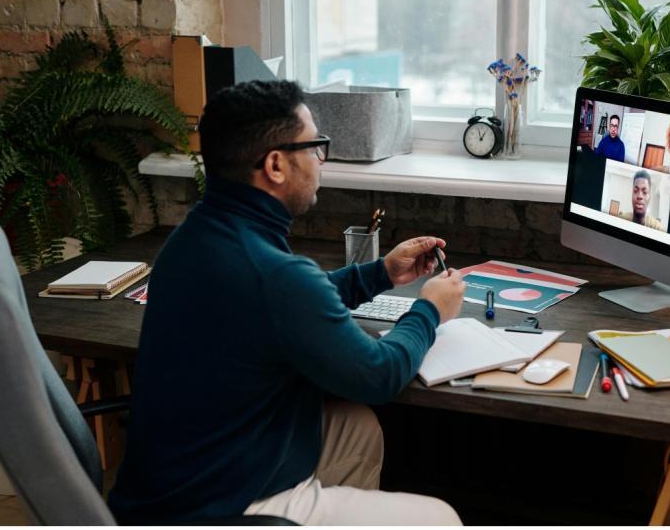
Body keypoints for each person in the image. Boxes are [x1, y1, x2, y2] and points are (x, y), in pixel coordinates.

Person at [108, 80, 465, 526]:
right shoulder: (275, 275)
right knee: (440, 517)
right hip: (224, 505)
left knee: (356, 428)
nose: (320, 160)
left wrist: (381, 273)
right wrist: (430, 309)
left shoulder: (192, 239)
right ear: (276, 165)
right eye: (315, 147)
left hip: (169, 485)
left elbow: (274, 307)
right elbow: (379, 375)